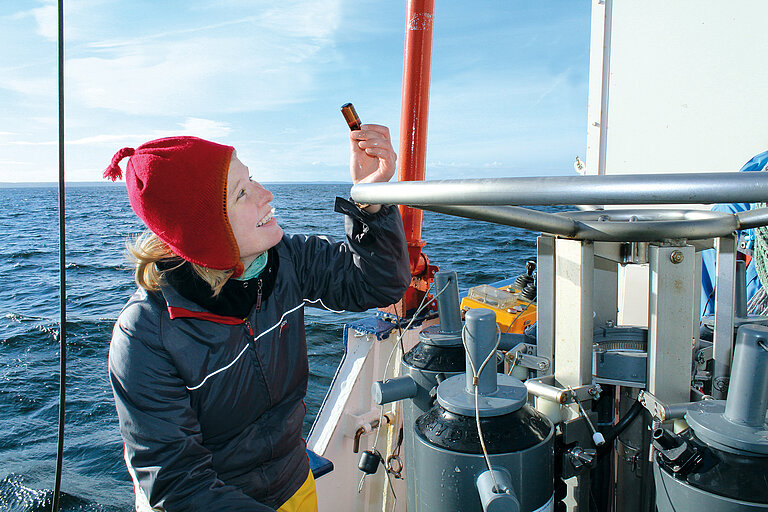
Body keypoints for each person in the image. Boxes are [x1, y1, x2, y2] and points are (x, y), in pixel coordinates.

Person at [103, 124, 410, 512]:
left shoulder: (283, 259)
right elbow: (179, 484)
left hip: (292, 482)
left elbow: (377, 285)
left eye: (252, 179)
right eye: (242, 193)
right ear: (205, 229)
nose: (266, 195)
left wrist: (370, 199)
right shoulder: (145, 335)